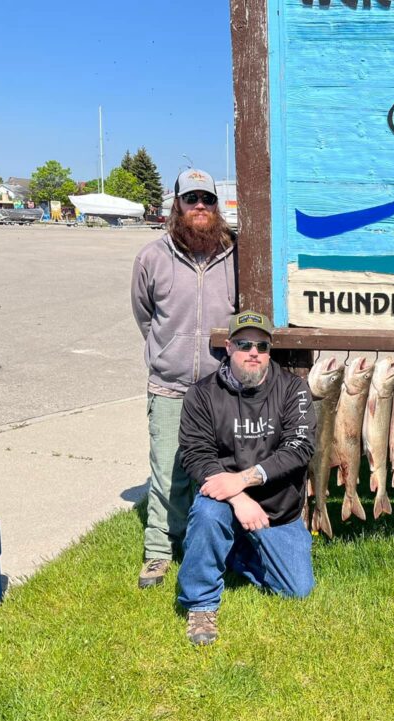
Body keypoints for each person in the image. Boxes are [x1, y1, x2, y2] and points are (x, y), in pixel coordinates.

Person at [177, 310, 316, 646]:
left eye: (262, 346)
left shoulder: (293, 389)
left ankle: (233, 554)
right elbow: (195, 454)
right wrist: (237, 497)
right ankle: (201, 603)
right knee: (209, 514)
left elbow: (300, 448)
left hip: (277, 509)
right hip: (225, 502)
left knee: (297, 590)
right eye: (244, 344)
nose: (254, 352)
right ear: (228, 347)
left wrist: (242, 481)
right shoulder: (202, 394)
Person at [130, 169, 237, 588]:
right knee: (167, 472)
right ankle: (159, 551)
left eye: (207, 200)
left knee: (212, 472)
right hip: (169, 385)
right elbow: (144, 315)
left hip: (219, 389)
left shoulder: (236, 255)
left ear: (217, 207)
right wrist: (168, 351)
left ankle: (206, 543)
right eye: (191, 198)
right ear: (177, 204)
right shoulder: (151, 257)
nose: (199, 206)